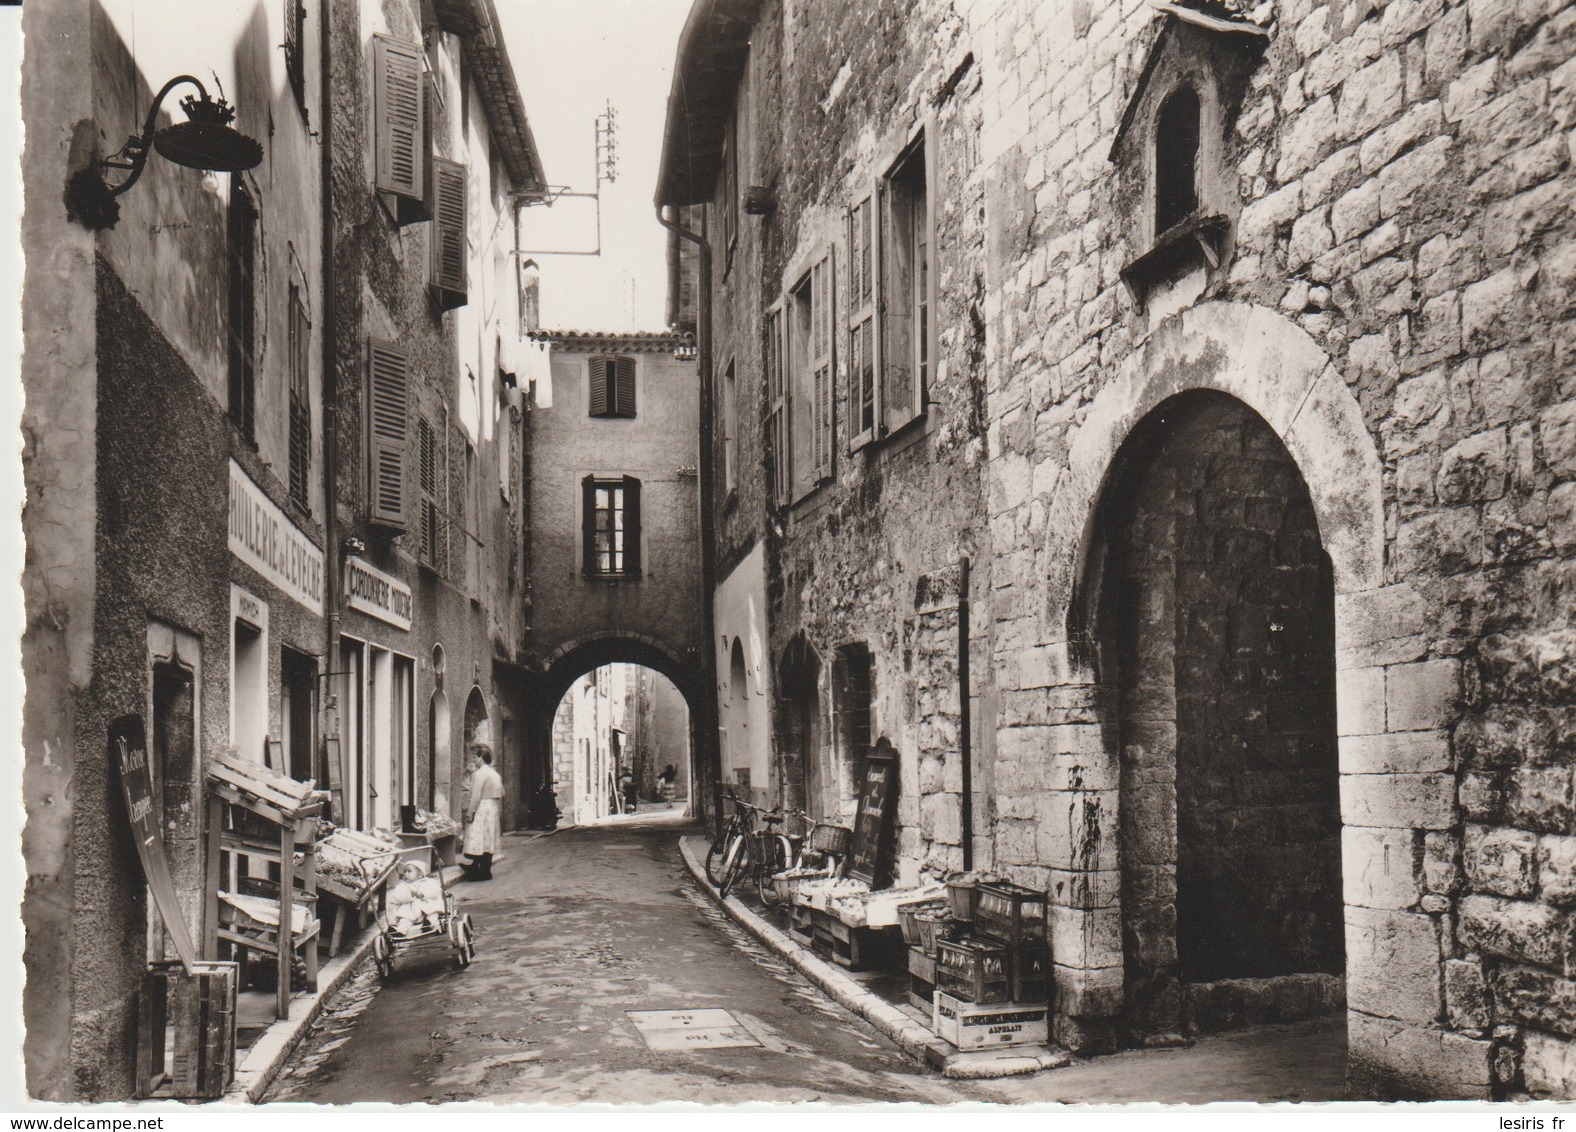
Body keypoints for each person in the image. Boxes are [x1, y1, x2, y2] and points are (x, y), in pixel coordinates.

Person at [461, 743, 502, 880]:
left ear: (481, 758)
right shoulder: (494, 773)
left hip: (482, 806)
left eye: (476, 757)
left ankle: (482, 872)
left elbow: (476, 795)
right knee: (487, 839)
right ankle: (478, 867)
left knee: (478, 837)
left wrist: (470, 812)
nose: (474, 760)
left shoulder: (479, 774)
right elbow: (501, 792)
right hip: (492, 806)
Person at [386, 859, 444, 936]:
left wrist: (422, 893)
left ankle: (429, 925)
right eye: (405, 872)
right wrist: (410, 893)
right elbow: (399, 897)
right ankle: (400, 932)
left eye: (409, 871)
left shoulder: (429, 882)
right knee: (404, 919)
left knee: (433, 913)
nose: (405, 874)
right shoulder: (403, 885)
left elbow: (436, 891)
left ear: (420, 874)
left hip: (427, 907)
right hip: (412, 910)